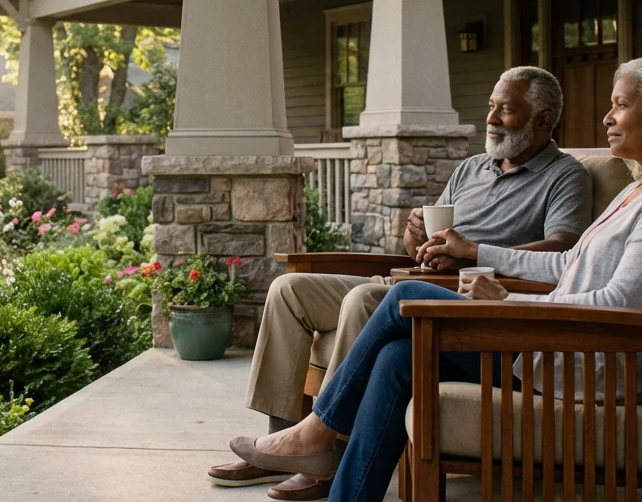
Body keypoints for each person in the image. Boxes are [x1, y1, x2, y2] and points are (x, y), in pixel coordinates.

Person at [227, 55, 642, 502]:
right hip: (552, 347)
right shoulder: (640, 189)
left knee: (402, 296)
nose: (606, 117)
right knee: (400, 357)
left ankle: (317, 431)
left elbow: (619, 304)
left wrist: (507, 305)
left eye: (620, 105)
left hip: (585, 362)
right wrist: (481, 257)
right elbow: (567, 264)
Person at [209, 67, 593, 500]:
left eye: (506, 110)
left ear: (542, 119)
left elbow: (566, 247)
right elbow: (430, 240)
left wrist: (473, 250)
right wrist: (415, 238)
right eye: (491, 106)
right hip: (411, 277)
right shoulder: (470, 168)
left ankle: (326, 454)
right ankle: (280, 444)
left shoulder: (565, 176)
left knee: (362, 298)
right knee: (288, 289)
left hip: (463, 294)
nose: (491, 118)